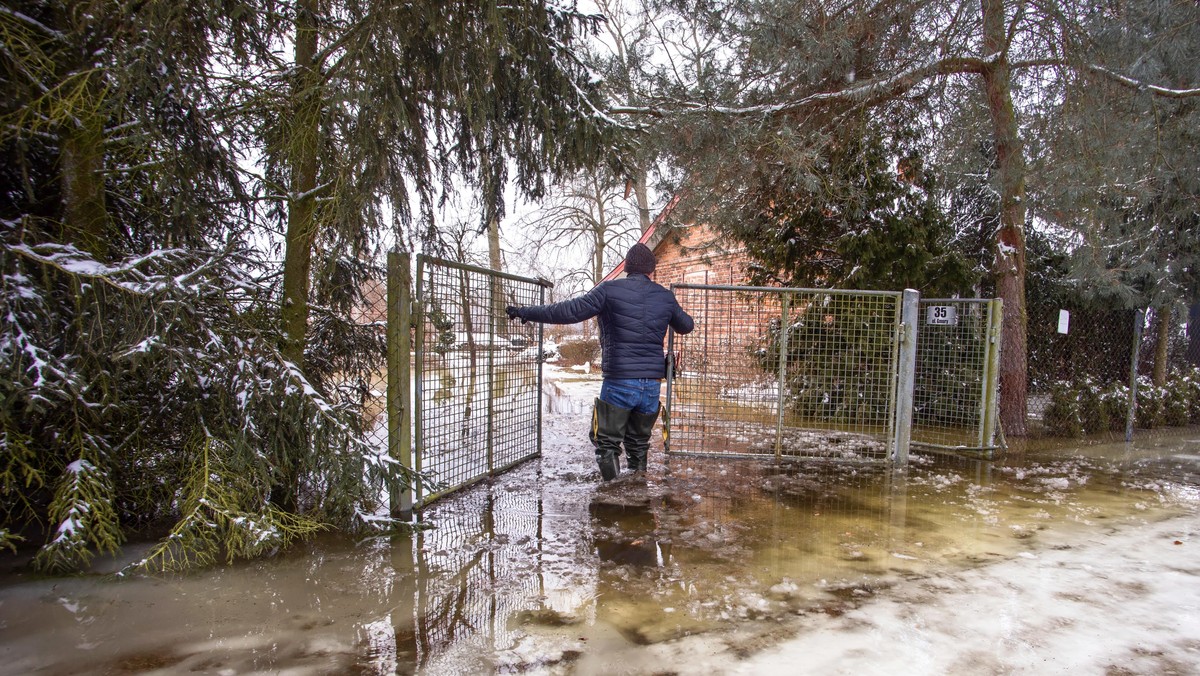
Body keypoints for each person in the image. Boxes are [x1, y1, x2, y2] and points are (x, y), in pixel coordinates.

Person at [507, 243, 694, 480]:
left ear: (627, 267)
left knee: (606, 443)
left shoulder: (608, 291)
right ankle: (637, 494)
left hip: (619, 381)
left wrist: (527, 312)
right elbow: (686, 326)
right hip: (651, 385)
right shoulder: (665, 297)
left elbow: (568, 311)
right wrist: (667, 308)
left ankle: (612, 496)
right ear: (651, 271)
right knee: (638, 443)